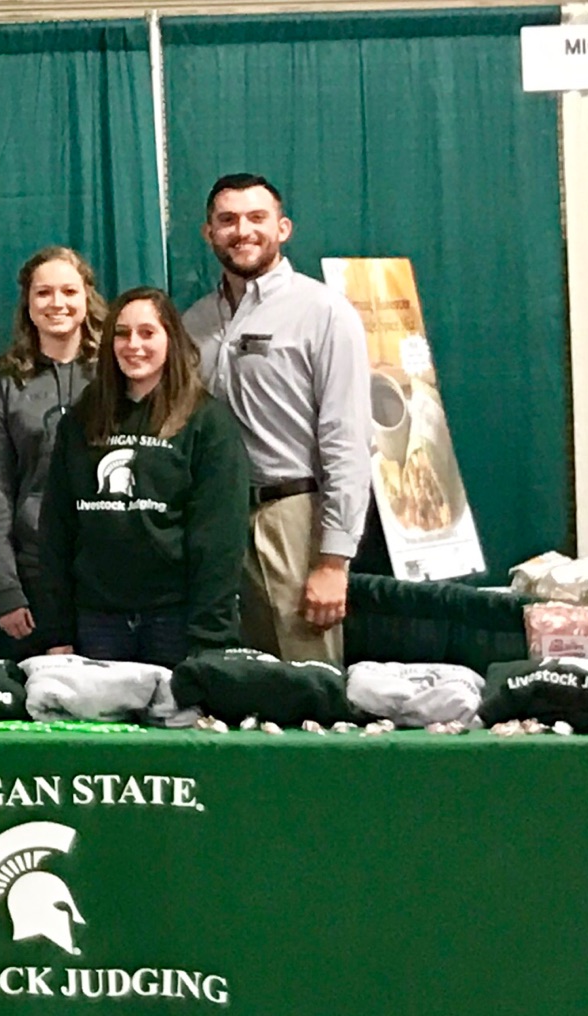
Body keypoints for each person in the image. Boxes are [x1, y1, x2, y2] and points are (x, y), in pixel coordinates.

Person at [182, 173, 371, 664]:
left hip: (292, 517)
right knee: (230, 676)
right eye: (227, 220)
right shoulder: (193, 323)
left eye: (256, 218)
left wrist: (333, 560)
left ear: (282, 228)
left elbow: (346, 439)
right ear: (209, 233)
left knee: (306, 678)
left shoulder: (324, 312)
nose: (242, 231)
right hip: (215, 524)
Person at [39, 288, 251, 666]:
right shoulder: (81, 421)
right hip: (97, 622)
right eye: (121, 333)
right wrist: (57, 631)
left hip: (176, 623)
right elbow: (57, 529)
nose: (133, 345)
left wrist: (210, 639)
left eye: (147, 333)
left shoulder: (207, 422)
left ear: (171, 338)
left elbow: (219, 541)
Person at [0, 247, 103, 655]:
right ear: (27, 303)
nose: (57, 303)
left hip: (107, 573)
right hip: (34, 573)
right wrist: (4, 591)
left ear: (86, 298)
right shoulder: (3, 385)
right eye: (43, 293)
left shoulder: (115, 375)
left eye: (68, 291)